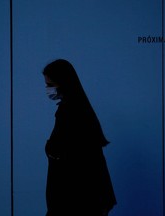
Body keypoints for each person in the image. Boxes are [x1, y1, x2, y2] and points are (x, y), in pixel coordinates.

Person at [43, 59, 117, 216]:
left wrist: (50, 149)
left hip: (76, 196)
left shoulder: (69, 111)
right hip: (89, 195)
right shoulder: (80, 107)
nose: (47, 89)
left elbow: (65, 152)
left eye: (50, 85)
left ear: (62, 83)